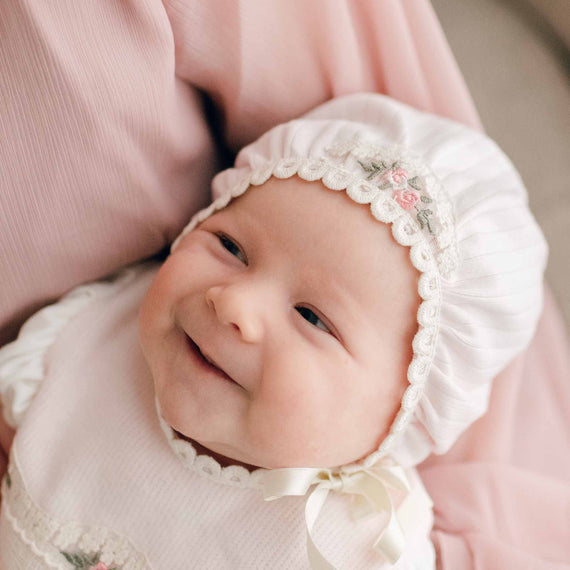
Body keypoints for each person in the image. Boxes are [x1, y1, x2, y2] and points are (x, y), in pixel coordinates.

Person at [0, 94, 547, 569]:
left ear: (402, 418)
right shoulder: (92, 342)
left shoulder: (362, 544)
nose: (234, 302)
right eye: (230, 247)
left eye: (312, 317)